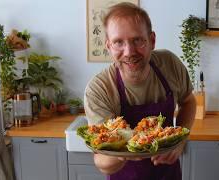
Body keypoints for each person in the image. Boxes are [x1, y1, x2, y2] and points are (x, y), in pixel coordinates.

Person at [84, 2, 196, 180]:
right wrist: (126, 150)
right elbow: (101, 162)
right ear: (109, 46)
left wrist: (180, 142)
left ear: (152, 40)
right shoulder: (99, 89)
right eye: (118, 42)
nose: (129, 52)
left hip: (168, 174)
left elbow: (188, 101)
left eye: (137, 40)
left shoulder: (169, 65)